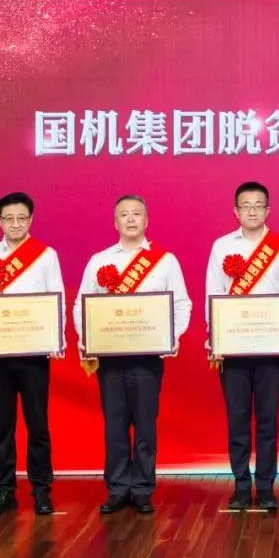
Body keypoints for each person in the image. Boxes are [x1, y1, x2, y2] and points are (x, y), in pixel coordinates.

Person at [73, 195, 191, 514]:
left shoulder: (165, 261)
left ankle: (142, 488)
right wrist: (87, 338)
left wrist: (172, 336)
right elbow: (81, 305)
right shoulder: (99, 260)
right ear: (115, 223)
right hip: (110, 358)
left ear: (146, 220)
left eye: (136, 214)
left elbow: (181, 303)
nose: (130, 219)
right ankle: (116, 488)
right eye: (123, 215)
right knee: (114, 425)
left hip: (147, 358)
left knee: (145, 426)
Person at [0, 192, 65, 516]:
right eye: (9, 219)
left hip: (34, 353)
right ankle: (4, 491)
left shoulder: (45, 255)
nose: (16, 224)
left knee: (38, 425)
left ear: (31, 219)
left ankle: (41, 489)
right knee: (3, 426)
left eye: (22, 218)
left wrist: (57, 338)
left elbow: (57, 298)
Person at [204, 181, 279, 511]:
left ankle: (267, 485)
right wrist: (216, 338)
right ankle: (241, 485)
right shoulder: (221, 246)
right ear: (236, 211)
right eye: (246, 206)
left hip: (272, 347)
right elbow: (213, 294)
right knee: (238, 419)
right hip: (233, 347)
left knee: (268, 419)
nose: (253, 211)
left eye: (259, 205)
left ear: (268, 210)